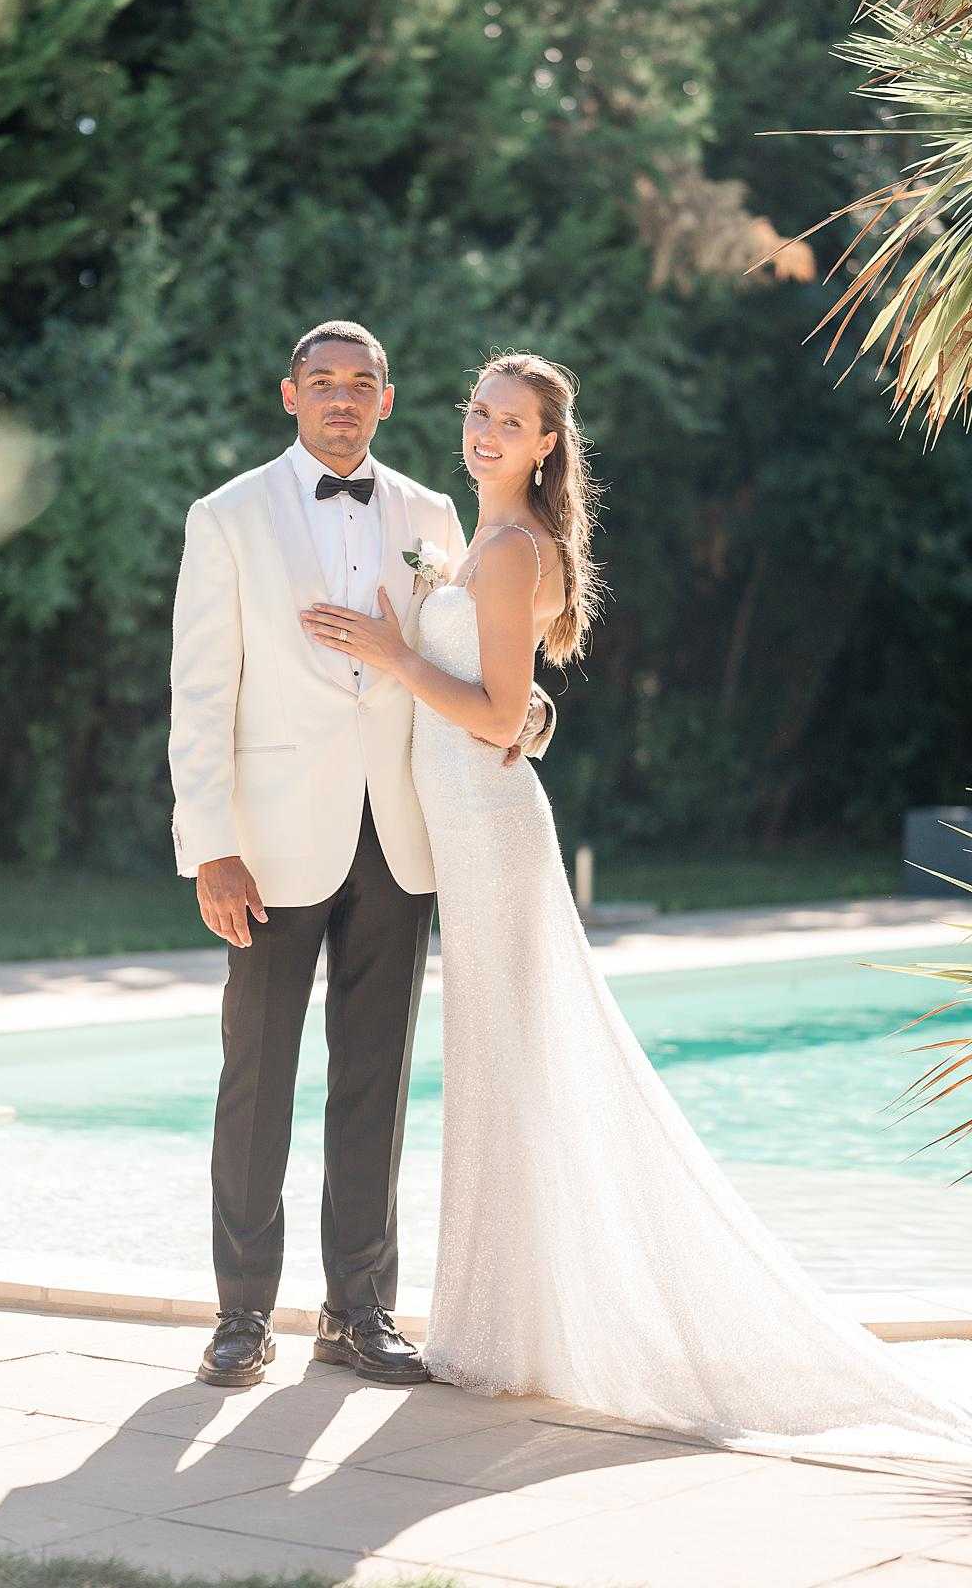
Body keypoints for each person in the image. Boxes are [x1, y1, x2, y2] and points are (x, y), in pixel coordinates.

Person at [300, 349, 972, 1466]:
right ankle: (499, 1328)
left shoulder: (513, 552)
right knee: (499, 1068)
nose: (485, 431)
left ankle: (519, 1328)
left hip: (491, 831)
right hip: (465, 828)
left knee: (517, 1063)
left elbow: (498, 707)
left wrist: (391, 653)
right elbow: (520, 708)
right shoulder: (481, 543)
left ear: (546, 444)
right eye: (478, 411)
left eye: (510, 421)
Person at [168, 320, 554, 1390]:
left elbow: (477, 667)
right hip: (274, 843)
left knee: (374, 1081)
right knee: (257, 1078)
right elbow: (200, 696)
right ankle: (241, 1316)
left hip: (404, 833)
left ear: (387, 401)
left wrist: (530, 722)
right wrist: (212, 849)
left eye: (362, 384)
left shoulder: (437, 516)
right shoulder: (227, 517)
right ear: (288, 395)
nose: (342, 398)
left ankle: (359, 1310)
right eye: (322, 382)